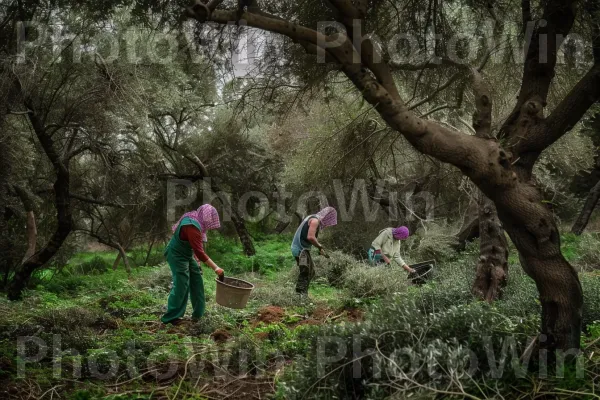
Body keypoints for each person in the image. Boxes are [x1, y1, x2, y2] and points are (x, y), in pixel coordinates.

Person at [161, 204, 224, 325]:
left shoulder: (196, 220)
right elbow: (199, 252)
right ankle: (172, 317)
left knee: (197, 280)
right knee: (182, 283)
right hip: (176, 254)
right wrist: (216, 268)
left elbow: (195, 248)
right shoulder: (191, 225)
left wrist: (198, 265)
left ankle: (198, 315)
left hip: (187, 254)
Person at [291, 206, 338, 295]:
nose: (327, 224)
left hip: (300, 249)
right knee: (306, 271)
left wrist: (321, 250)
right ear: (326, 217)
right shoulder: (315, 221)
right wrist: (320, 246)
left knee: (310, 271)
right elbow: (311, 237)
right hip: (301, 250)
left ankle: (302, 294)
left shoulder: (311, 217)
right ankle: (300, 295)